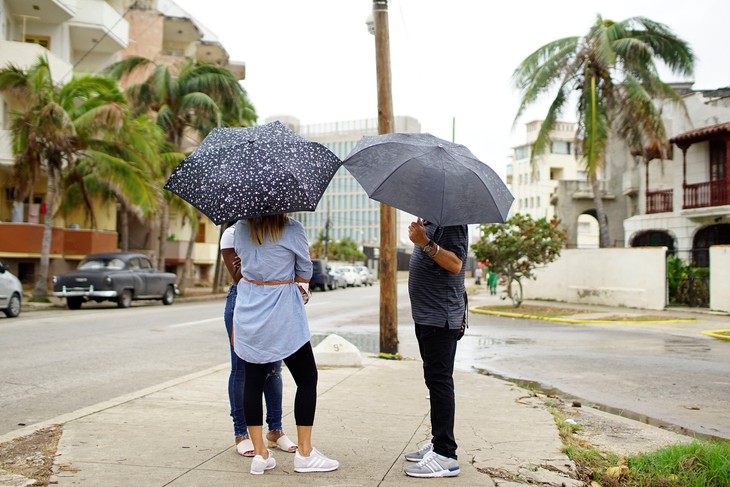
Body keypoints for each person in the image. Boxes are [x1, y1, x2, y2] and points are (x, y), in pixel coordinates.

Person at [231, 214, 339, 475]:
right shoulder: (291, 228)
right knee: (306, 378)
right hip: (283, 314)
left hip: (249, 310)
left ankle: (260, 454)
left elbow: (242, 263)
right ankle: (304, 453)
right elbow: (305, 271)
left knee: (253, 381)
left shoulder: (241, 227)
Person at [220, 223, 297, 457]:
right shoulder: (232, 234)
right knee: (241, 370)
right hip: (243, 302)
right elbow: (238, 278)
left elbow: (289, 269)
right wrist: (252, 267)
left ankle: (275, 430)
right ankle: (240, 433)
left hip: (274, 303)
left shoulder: (276, 232)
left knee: (274, 370)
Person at [404, 217, 467, 478]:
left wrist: (425, 243)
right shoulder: (431, 218)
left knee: (440, 382)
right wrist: (423, 237)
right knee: (434, 381)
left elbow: (455, 264)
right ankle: (438, 440)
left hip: (440, 317)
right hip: (428, 316)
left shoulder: (452, 221)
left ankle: (445, 454)